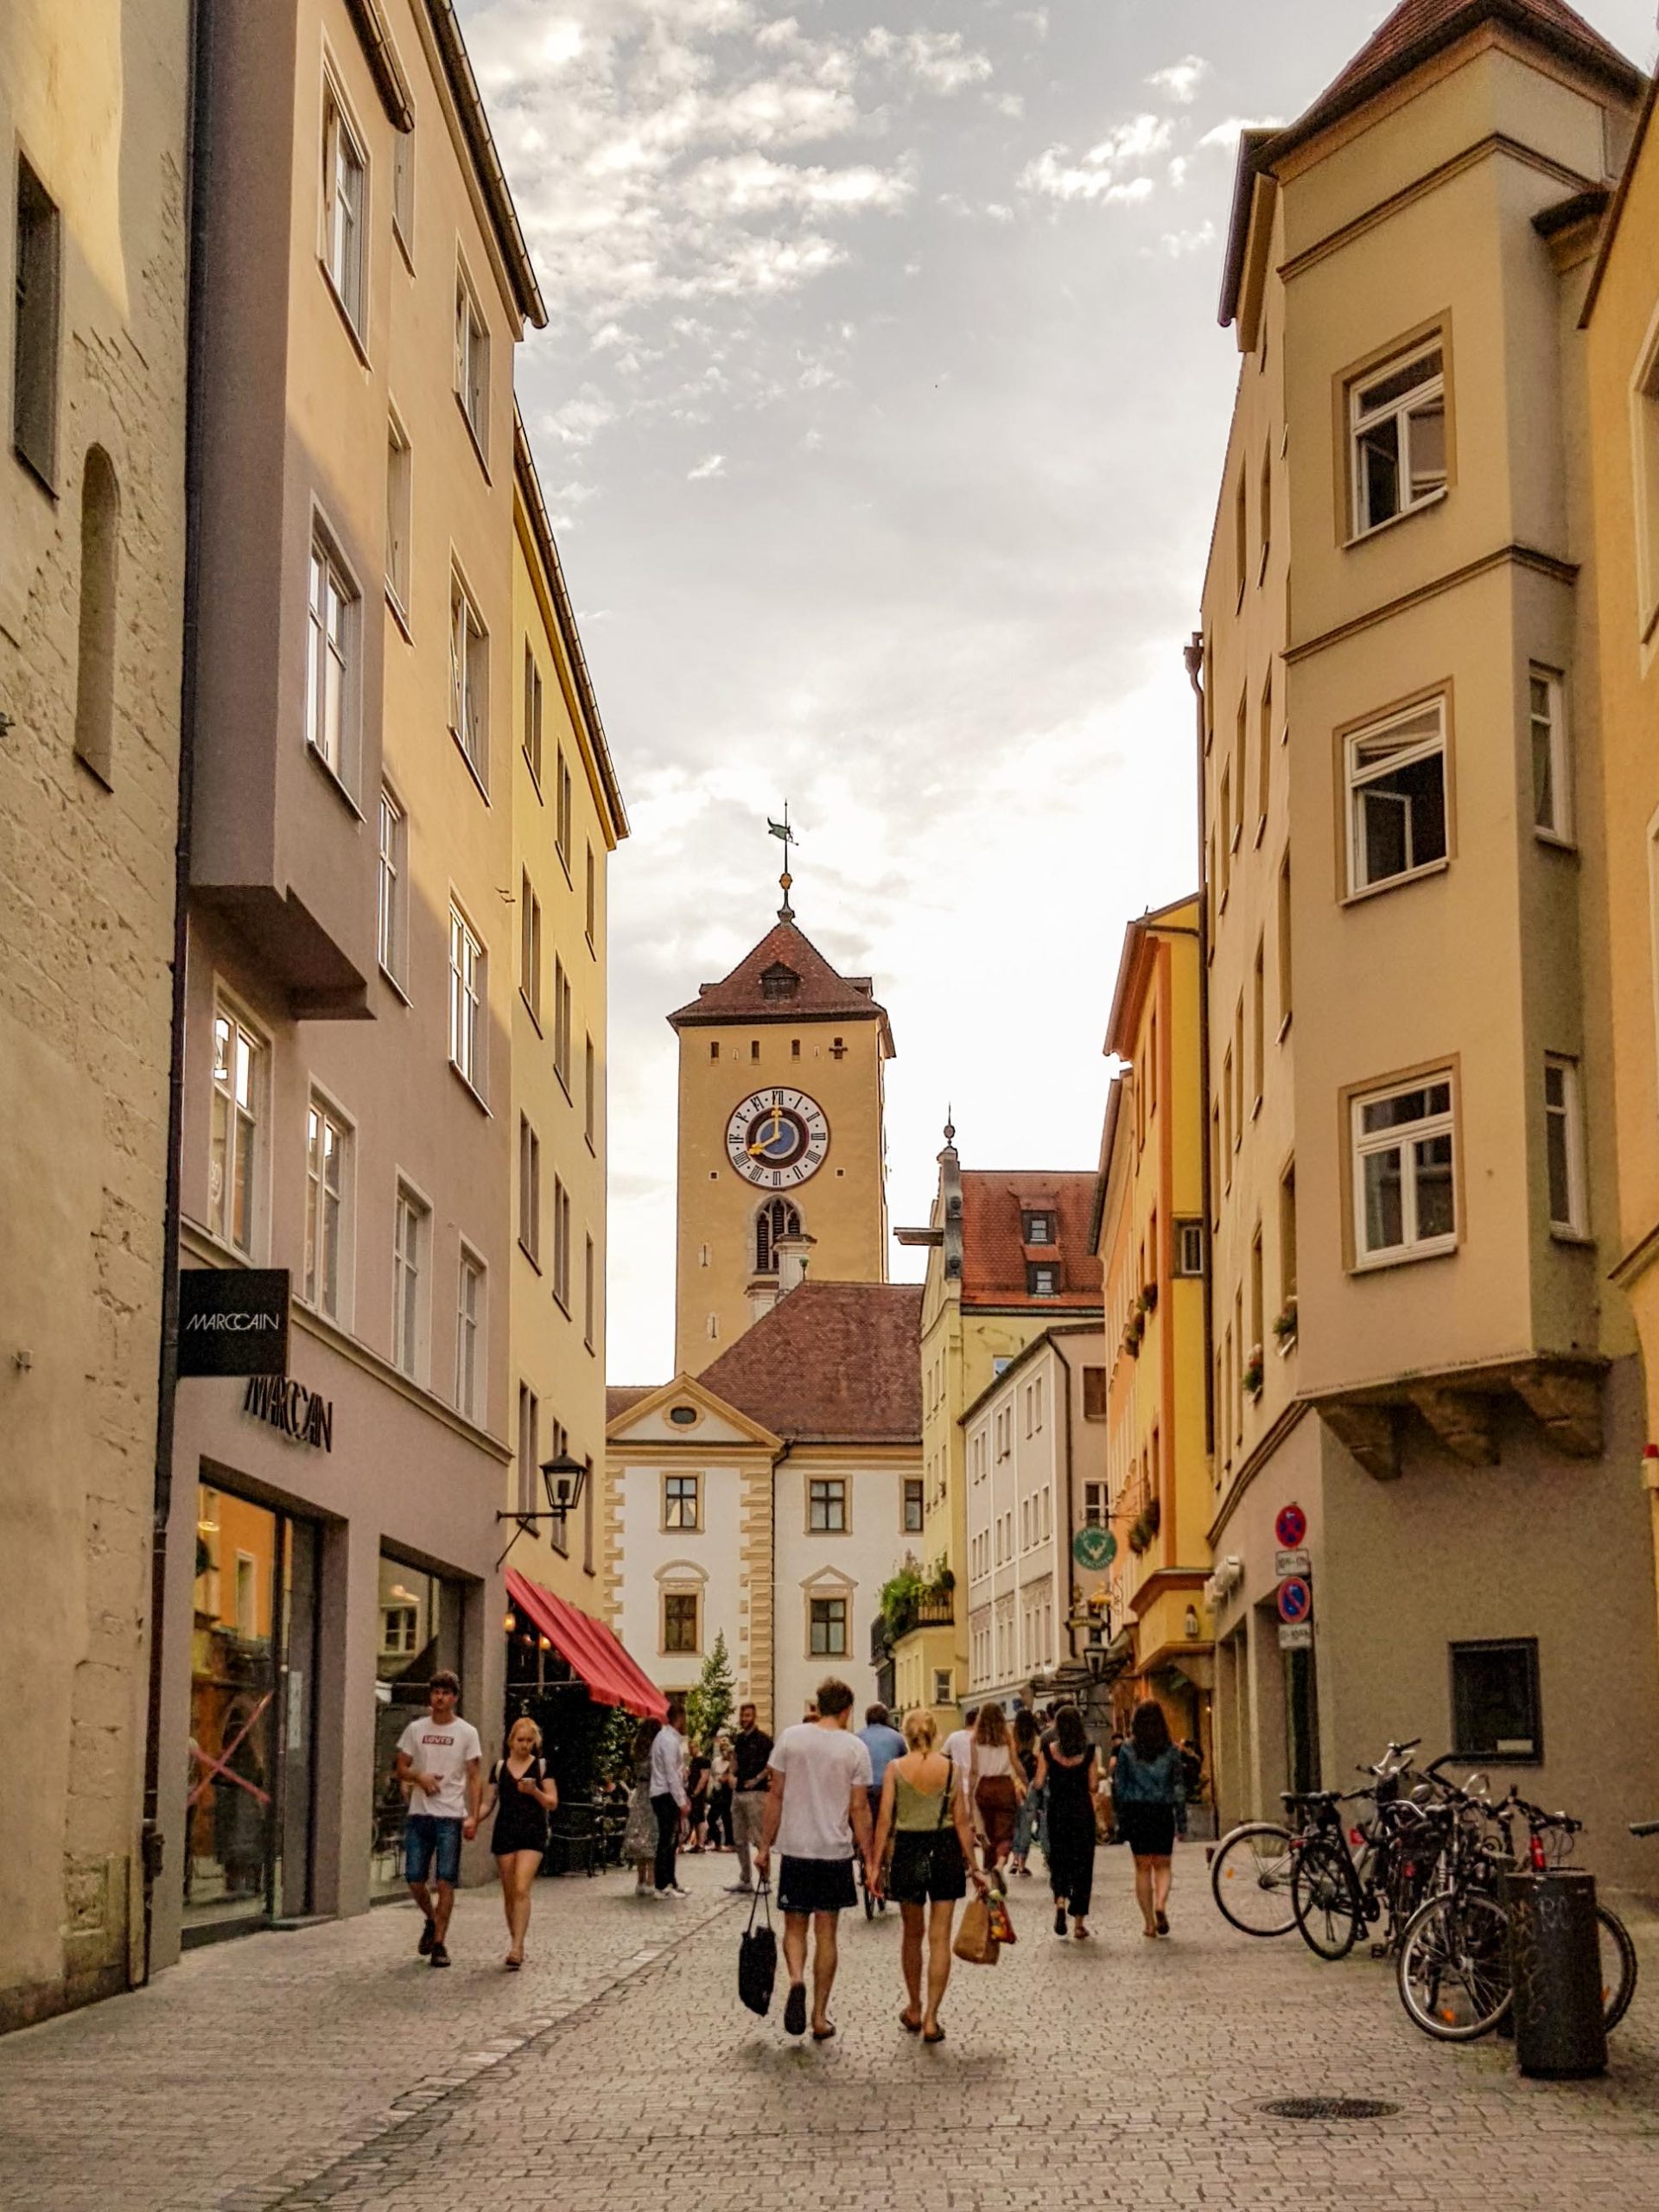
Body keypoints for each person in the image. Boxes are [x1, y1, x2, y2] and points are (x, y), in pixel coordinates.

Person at [755, 1677, 874, 2041]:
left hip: (796, 1848)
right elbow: (859, 1808)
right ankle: (820, 2017)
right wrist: (869, 1857)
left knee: (794, 1927)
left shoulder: (790, 1739)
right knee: (827, 1934)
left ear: (817, 1706)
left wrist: (764, 1847)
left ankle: (795, 1979)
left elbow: (775, 1796)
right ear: (846, 1710)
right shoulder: (855, 1749)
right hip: (833, 1851)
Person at [872, 1709, 986, 2044]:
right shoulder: (952, 1769)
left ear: (906, 1735)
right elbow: (962, 1823)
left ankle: (914, 2005)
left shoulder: (895, 1769)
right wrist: (974, 1866)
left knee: (911, 1935)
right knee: (940, 1938)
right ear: (935, 1734)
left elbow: (884, 1820)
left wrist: (875, 1864)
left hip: (909, 1851)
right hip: (944, 1850)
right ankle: (933, 2018)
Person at [393, 1670, 482, 1968]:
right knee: (415, 1879)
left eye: (445, 1693)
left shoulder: (467, 1733)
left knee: (446, 1881)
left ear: (454, 1698)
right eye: (435, 1692)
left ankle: (440, 1944)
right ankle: (431, 1921)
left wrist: (473, 1816)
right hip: (420, 1814)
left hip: (450, 1816)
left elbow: (474, 1777)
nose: (440, 1698)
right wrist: (420, 1775)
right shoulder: (416, 1729)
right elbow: (401, 1767)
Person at [478, 1715, 558, 1968]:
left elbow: (553, 1802)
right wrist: (472, 1820)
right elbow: (488, 1802)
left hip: (532, 1833)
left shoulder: (542, 1767)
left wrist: (534, 1791)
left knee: (522, 1887)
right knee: (510, 1892)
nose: (524, 1745)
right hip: (505, 1831)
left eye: (529, 1740)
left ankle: (517, 1947)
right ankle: (516, 1940)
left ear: (534, 1742)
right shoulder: (500, 1768)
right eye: (520, 1740)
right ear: (511, 1741)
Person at [1114, 1700, 1188, 1938]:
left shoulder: (1126, 1750)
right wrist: (1181, 1820)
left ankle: (1148, 1924)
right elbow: (1178, 1787)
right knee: (1163, 1865)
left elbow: (1120, 1786)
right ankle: (1161, 1905)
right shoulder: (1172, 1750)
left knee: (1142, 1868)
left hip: (1137, 1812)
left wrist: (1121, 1818)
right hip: (1161, 1812)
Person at [1032, 1704, 1098, 1941]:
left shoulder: (1049, 1751)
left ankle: (1060, 1902)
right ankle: (1079, 1923)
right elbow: (1093, 1786)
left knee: (1059, 1860)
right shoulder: (1089, 1751)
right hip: (1082, 1812)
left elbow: (1039, 1783)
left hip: (1058, 1812)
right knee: (1083, 1864)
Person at [968, 1703, 1027, 1882]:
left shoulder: (975, 1739)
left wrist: (970, 1794)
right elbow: (1015, 1763)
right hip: (1004, 1786)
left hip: (984, 1786)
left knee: (988, 1832)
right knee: (1006, 1830)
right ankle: (1000, 1866)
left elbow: (974, 1770)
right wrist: (1025, 1781)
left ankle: (989, 1870)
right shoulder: (1006, 1737)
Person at [727, 1701, 772, 1894]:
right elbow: (735, 1759)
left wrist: (757, 1779)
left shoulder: (764, 1740)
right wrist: (730, 1774)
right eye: (743, 1715)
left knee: (759, 1838)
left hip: (756, 1793)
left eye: (748, 1715)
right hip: (738, 1792)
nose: (745, 1719)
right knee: (738, 1838)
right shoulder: (739, 1739)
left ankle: (766, 1879)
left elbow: (772, 1763)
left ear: (754, 1716)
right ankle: (745, 1878)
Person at [649, 1696, 691, 1897]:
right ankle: (661, 1884)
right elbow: (670, 1774)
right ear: (680, 1718)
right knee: (667, 1839)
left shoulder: (666, 1738)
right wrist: (682, 1801)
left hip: (663, 1792)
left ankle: (670, 1881)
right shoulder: (668, 1740)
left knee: (671, 1840)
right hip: (664, 1793)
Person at [623, 1717, 661, 1896]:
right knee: (652, 1836)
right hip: (653, 1794)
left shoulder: (637, 1750)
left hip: (640, 1793)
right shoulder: (656, 1752)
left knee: (639, 1836)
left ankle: (640, 1880)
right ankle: (651, 1880)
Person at [856, 1701, 906, 1834]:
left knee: (865, 1826)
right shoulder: (897, 1737)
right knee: (888, 1828)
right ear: (886, 1719)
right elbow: (904, 1762)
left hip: (865, 1788)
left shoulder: (858, 1737)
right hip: (888, 1788)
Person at [1008, 1707, 1045, 1878]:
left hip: (1014, 1784)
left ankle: (1014, 1859)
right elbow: (1039, 1762)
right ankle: (1023, 1862)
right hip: (1030, 1785)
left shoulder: (1012, 1740)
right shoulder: (1037, 1740)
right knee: (1026, 1824)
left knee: (1015, 1824)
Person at [940, 1706, 979, 1814]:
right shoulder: (981, 1738)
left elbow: (942, 1755)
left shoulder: (954, 1737)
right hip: (977, 1787)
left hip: (958, 1787)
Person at [707, 1733, 734, 1850]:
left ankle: (730, 1843)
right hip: (717, 1792)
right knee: (711, 1818)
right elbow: (712, 1775)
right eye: (721, 1748)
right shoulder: (716, 1761)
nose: (723, 1751)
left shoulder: (731, 1761)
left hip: (727, 1792)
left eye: (725, 1748)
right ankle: (717, 1842)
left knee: (727, 1817)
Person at [685, 1741, 712, 1850]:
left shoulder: (704, 1761)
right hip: (691, 1792)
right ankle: (697, 1843)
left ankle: (701, 1843)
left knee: (700, 1817)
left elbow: (704, 1777)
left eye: (692, 1748)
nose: (690, 1750)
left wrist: (697, 1791)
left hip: (698, 1794)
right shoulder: (693, 1761)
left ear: (697, 1747)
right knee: (694, 1817)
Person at [1104, 1728, 1128, 1843]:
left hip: (1119, 1782)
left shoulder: (1116, 1748)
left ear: (1114, 1740)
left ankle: (1121, 1835)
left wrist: (1109, 1774)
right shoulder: (1130, 1747)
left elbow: (1113, 1763)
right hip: (1131, 1783)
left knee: (1119, 1809)